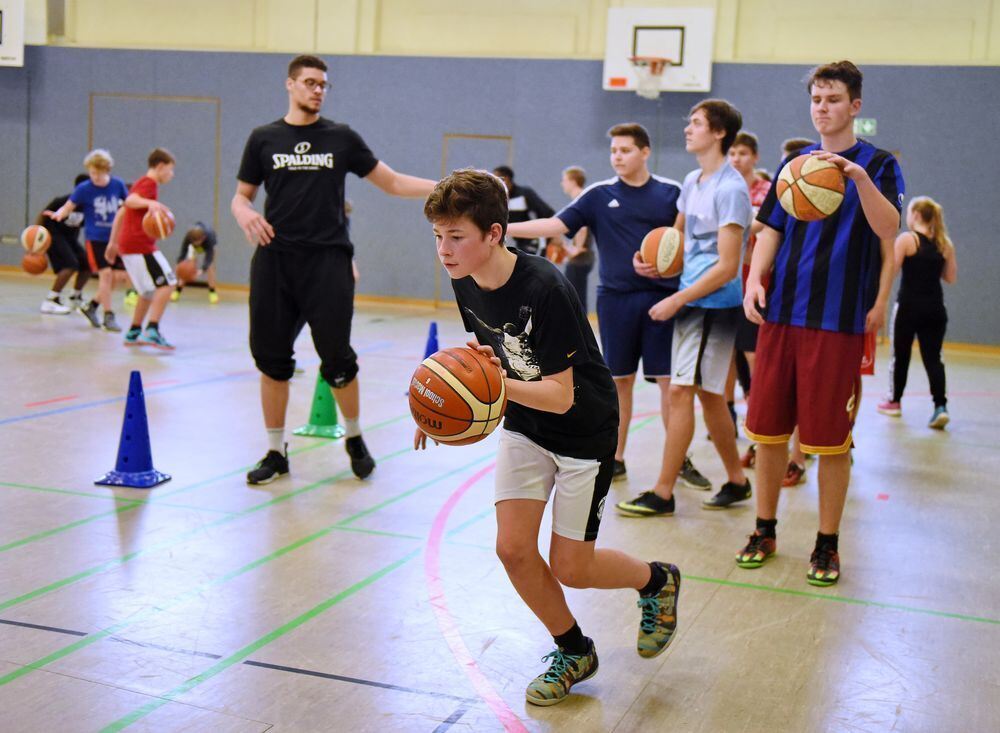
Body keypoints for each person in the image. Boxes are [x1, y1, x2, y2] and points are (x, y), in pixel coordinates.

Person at [419, 168, 681, 706]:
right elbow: (486, 356)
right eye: (438, 237)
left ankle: (655, 581)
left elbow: (561, 395)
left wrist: (492, 390)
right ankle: (574, 650)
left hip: (582, 429)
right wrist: (441, 405)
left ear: (494, 233)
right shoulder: (463, 275)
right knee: (513, 549)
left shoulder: (545, 287)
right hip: (525, 424)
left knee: (572, 567)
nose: (444, 250)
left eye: (456, 237)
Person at [231, 54, 436, 484]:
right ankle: (275, 451)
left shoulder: (340, 138)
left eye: (323, 84)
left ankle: (355, 437)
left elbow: (393, 182)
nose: (318, 90)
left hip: (327, 262)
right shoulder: (263, 138)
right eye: (309, 82)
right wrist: (243, 213)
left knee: (338, 360)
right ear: (290, 85)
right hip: (275, 260)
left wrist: (448, 184)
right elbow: (241, 196)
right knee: (271, 361)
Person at [739, 60, 902, 586]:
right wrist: (756, 279)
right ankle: (764, 528)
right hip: (781, 313)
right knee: (766, 433)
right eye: (816, 100)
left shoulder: (877, 165)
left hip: (836, 322)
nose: (822, 108)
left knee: (831, 441)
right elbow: (769, 230)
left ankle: (827, 542)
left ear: (855, 106)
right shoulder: (795, 162)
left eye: (832, 99)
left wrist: (856, 179)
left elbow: (889, 229)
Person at [507, 123, 710, 491]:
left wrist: (671, 264)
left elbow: (690, 242)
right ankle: (616, 458)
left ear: (645, 152)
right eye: (614, 150)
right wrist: (503, 226)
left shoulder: (671, 193)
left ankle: (679, 460)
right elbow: (557, 223)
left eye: (626, 150)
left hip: (663, 300)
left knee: (670, 384)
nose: (618, 156)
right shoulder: (598, 195)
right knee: (620, 383)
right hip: (616, 301)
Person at [616, 99, 752, 517]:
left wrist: (675, 298)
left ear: (718, 133)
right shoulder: (693, 180)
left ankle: (663, 491)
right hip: (692, 298)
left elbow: (728, 267)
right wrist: (653, 262)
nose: (687, 129)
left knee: (679, 393)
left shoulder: (731, 190)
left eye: (696, 123)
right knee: (711, 398)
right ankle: (737, 480)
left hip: (713, 304)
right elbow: (676, 239)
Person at [740, 136, 817, 476]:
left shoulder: (812, 197)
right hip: (755, 289)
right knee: (756, 373)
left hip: (801, 298)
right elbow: (758, 232)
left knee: (803, 384)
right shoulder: (767, 191)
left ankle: (801, 453)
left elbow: (758, 227)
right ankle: (764, 442)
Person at [877, 197, 957, 428]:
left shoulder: (907, 239)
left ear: (916, 216)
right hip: (935, 309)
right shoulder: (944, 244)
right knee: (934, 358)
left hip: (909, 307)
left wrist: (879, 297)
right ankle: (940, 406)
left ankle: (894, 401)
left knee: (900, 355)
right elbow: (950, 278)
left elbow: (892, 269)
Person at [46, 149, 129, 332]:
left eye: (98, 173)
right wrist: (59, 214)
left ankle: (91, 306)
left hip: (114, 238)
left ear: (107, 170)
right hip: (96, 239)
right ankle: (109, 316)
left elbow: (129, 204)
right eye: (91, 172)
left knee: (116, 278)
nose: (94, 177)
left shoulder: (117, 185)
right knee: (106, 276)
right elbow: (69, 206)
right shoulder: (84, 188)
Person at [107, 148, 179, 349]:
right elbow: (130, 202)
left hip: (129, 245)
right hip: (140, 244)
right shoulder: (148, 183)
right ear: (160, 166)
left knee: (147, 291)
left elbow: (123, 210)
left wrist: (113, 242)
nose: (171, 175)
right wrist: (151, 203)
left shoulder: (141, 183)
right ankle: (152, 330)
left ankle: (134, 331)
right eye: (170, 170)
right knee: (168, 283)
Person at [724, 131, 771, 430]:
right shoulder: (724, 189)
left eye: (742, 153)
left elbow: (765, 233)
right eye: (732, 154)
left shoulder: (767, 192)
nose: (737, 159)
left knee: (754, 354)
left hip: (757, 286)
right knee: (725, 352)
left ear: (754, 157)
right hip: (726, 285)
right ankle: (727, 412)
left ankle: (759, 412)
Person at [38, 174, 91, 314]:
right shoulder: (63, 201)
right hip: (54, 236)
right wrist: (38, 242)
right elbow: (42, 216)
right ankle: (51, 300)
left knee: (88, 263)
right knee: (70, 264)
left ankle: (75, 297)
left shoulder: (88, 206)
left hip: (70, 239)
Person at [492, 166, 556, 256]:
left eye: (496, 180)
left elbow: (548, 213)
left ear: (505, 179)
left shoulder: (525, 194)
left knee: (530, 266)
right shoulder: (498, 199)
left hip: (534, 240)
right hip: (520, 241)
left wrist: (554, 235)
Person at [558, 166, 595, 311]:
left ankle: (579, 331)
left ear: (573, 181)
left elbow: (582, 226)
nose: (562, 183)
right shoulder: (581, 198)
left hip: (580, 258)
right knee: (578, 297)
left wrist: (576, 248)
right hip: (583, 257)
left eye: (564, 180)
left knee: (575, 298)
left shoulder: (580, 199)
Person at [172, 222, 219, 303]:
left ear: (203, 238)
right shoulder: (189, 237)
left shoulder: (209, 237)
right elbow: (183, 252)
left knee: (210, 267)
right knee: (187, 267)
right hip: (193, 247)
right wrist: (180, 264)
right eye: (194, 242)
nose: (196, 244)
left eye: (198, 242)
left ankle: (212, 292)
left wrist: (202, 269)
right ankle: (177, 290)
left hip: (209, 247)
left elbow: (209, 257)